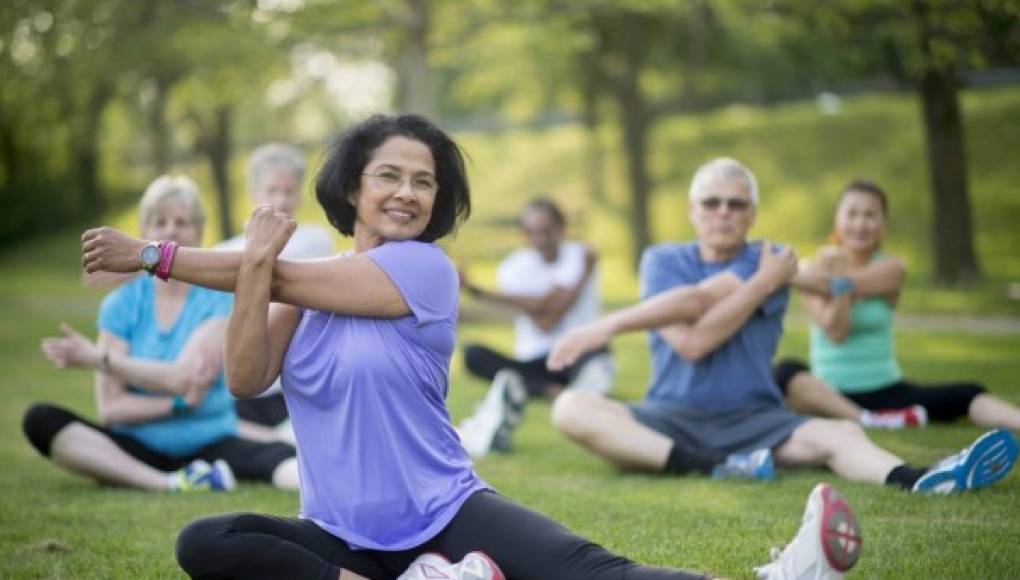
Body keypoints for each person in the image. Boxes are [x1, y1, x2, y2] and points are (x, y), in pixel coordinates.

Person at [82, 115, 860, 580]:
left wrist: (154, 255)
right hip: (340, 534)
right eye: (388, 175)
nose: (407, 193)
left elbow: (293, 276)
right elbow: (248, 375)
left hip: (444, 514)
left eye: (423, 182)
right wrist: (252, 266)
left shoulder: (423, 270)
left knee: (589, 573)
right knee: (205, 541)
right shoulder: (291, 283)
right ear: (352, 187)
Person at [547, 157, 1017, 496]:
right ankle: (715, 467)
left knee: (844, 435)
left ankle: (920, 479)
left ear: (752, 214)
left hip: (757, 423)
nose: (724, 212)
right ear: (693, 211)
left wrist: (808, 273)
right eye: (712, 203)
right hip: (669, 418)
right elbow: (692, 334)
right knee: (570, 407)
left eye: (736, 204)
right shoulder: (665, 260)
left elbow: (825, 288)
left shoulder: (769, 258)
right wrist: (602, 328)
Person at [23, 175, 299, 492]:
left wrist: (98, 358)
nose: (170, 230)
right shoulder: (120, 304)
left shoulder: (219, 299)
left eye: (182, 222)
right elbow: (111, 409)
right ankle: (168, 483)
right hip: (136, 445)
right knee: (41, 419)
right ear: (143, 234)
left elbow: (182, 378)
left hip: (211, 440)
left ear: (198, 233)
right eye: (160, 222)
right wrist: (177, 406)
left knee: (285, 459)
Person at [773, 179, 1020, 432]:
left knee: (969, 392)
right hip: (828, 394)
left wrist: (833, 277)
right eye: (852, 214)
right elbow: (837, 333)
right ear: (837, 219)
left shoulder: (892, 268)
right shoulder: (812, 267)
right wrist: (828, 278)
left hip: (887, 391)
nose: (860, 224)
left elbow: (810, 278)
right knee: (785, 372)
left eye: (870, 215)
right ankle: (866, 419)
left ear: (882, 223)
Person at [457, 197, 614, 457]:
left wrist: (480, 292)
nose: (541, 240)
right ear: (524, 234)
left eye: (548, 231)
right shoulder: (515, 267)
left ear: (562, 229)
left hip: (579, 353)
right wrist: (582, 277)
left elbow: (549, 314)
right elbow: (544, 320)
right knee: (473, 354)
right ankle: (557, 392)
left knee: (597, 349)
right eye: (533, 233)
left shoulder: (580, 254)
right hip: (536, 362)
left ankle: (570, 396)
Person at [217, 143, 334, 444]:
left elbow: (255, 259)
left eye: (289, 191)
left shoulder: (313, 241)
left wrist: (161, 261)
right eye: (272, 191)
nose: (281, 200)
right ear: (253, 192)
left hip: (287, 388)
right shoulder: (226, 250)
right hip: (238, 386)